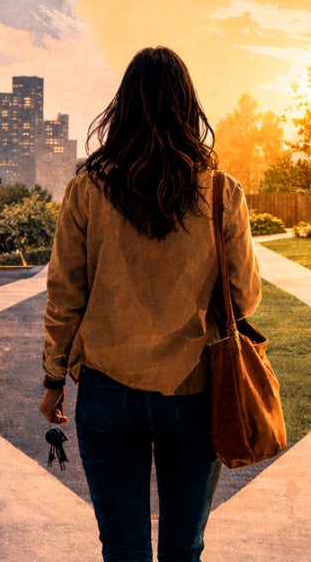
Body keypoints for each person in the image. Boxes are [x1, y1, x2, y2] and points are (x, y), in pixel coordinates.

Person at [40, 46, 261, 562]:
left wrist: (54, 380)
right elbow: (245, 298)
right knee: (184, 549)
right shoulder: (221, 192)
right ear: (188, 108)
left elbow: (64, 296)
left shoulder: (87, 190)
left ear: (123, 108)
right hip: (195, 390)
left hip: (106, 389)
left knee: (123, 548)